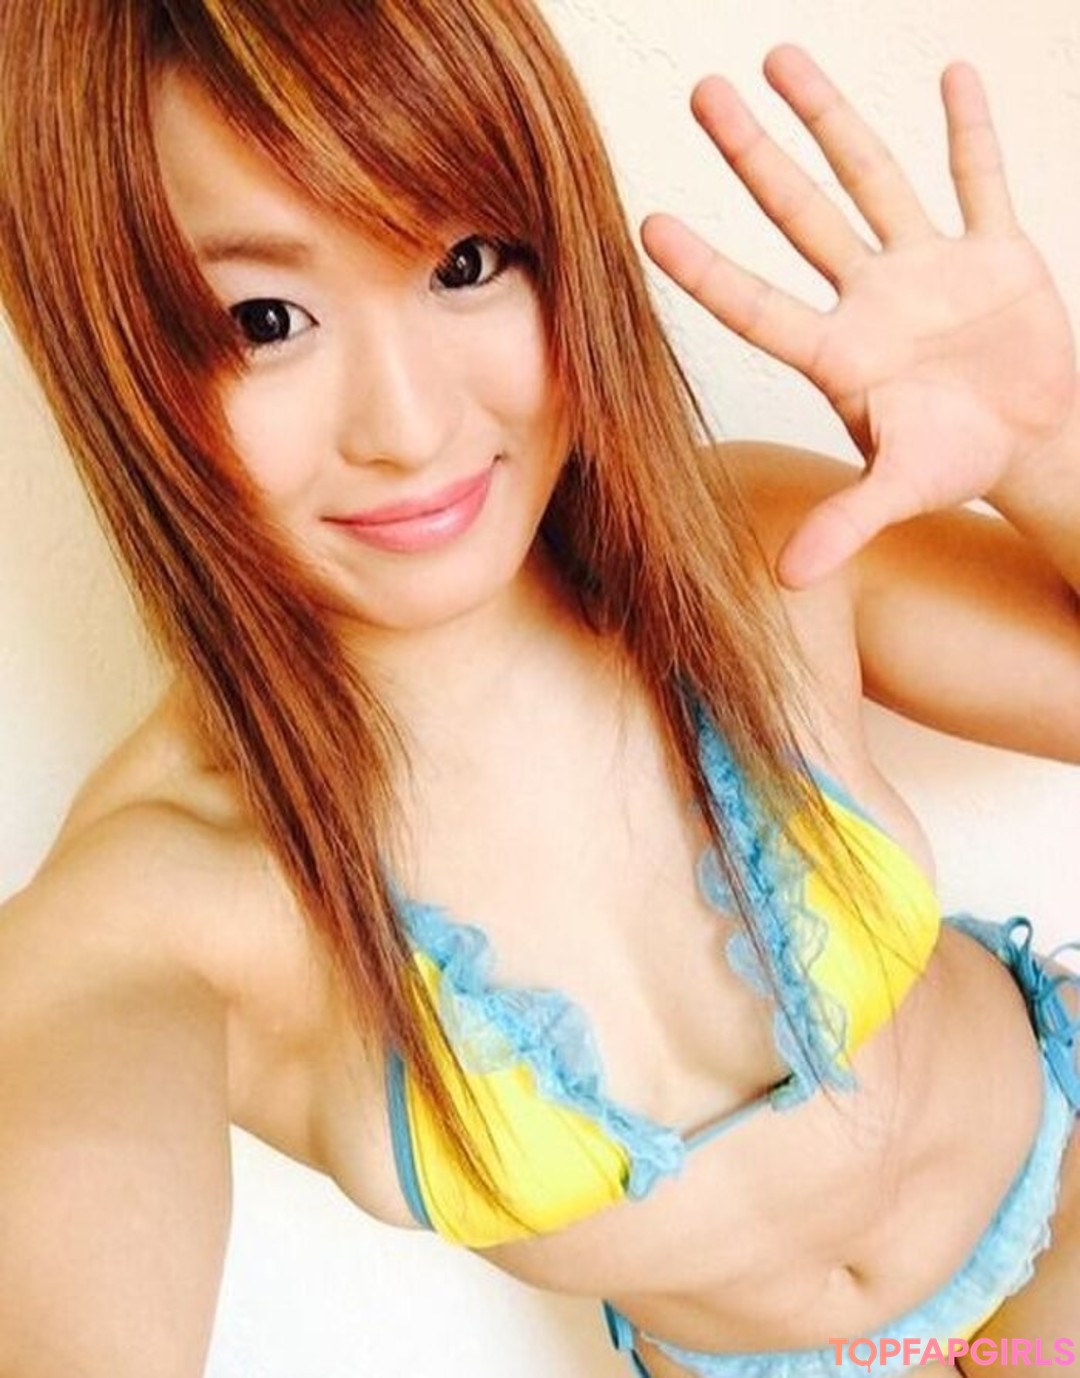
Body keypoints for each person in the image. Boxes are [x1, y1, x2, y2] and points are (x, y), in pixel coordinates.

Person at [0, 3, 1077, 1377]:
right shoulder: (163, 905)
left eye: (463, 262)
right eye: (266, 320)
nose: (411, 426)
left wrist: (1048, 453)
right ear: (115, 366)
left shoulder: (750, 554)